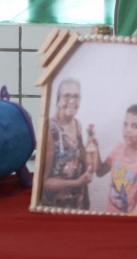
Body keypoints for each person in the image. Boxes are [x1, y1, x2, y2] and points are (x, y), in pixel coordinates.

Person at [40, 78, 92, 209]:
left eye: (76, 96)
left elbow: (78, 160)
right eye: (67, 96)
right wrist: (77, 183)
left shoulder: (77, 124)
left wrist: (92, 152)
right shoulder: (49, 130)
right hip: (55, 208)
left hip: (77, 205)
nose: (72, 101)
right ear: (58, 100)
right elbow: (43, 182)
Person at [92, 104, 137, 214]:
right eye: (125, 124)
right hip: (109, 213)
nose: (128, 130)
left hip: (129, 220)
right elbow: (100, 172)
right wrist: (96, 151)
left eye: (135, 126)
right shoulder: (118, 148)